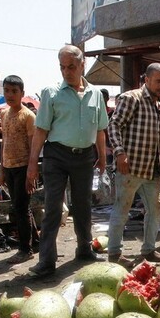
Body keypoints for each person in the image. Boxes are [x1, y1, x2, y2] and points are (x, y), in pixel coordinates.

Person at [26, 45, 108, 277]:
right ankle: (46, 261)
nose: (66, 72)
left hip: (85, 157)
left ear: (82, 65)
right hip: (56, 156)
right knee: (53, 207)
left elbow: (100, 129)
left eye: (71, 67)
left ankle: (84, 250)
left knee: (83, 206)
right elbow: (41, 131)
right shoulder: (51, 93)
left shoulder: (95, 94)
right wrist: (32, 164)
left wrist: (102, 157)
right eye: (62, 67)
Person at [107, 62, 160, 265]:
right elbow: (114, 125)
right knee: (122, 208)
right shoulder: (132, 98)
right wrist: (120, 153)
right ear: (147, 79)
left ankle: (149, 250)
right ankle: (114, 253)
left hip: (153, 169)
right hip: (131, 168)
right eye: (158, 81)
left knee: (156, 209)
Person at [0, 75, 39, 264]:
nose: (10, 95)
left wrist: (32, 172)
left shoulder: (28, 116)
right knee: (19, 207)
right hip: (9, 167)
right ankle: (35, 242)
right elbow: (4, 142)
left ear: (22, 93)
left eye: (14, 91)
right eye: (7, 90)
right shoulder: (4, 114)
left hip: (23, 167)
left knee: (21, 208)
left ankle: (25, 249)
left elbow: (33, 147)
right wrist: (1, 170)